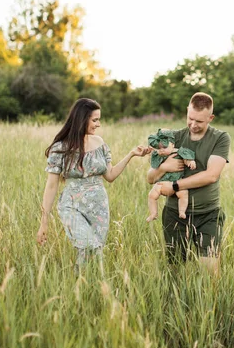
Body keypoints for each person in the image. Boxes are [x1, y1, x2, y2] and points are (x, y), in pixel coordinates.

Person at [36, 97, 150, 271]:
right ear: (82, 119)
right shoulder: (60, 148)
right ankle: (79, 285)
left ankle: (87, 287)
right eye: (95, 119)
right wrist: (44, 221)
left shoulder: (100, 143)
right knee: (88, 246)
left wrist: (131, 154)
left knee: (95, 253)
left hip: (99, 208)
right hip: (72, 206)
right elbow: (51, 186)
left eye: (99, 119)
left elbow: (110, 176)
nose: (98, 124)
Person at [147, 92, 230, 276]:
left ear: (211, 117)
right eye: (190, 118)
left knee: (209, 272)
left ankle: (208, 304)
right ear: (187, 111)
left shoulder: (220, 138)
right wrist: (164, 168)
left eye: (199, 121)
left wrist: (175, 185)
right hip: (174, 214)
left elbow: (211, 176)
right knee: (175, 270)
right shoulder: (174, 137)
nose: (193, 125)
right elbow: (151, 178)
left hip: (208, 213)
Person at [146, 128, 196, 222]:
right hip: (162, 183)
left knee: (183, 193)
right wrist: (152, 152)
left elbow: (186, 157)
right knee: (152, 195)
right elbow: (154, 168)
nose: (161, 151)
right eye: (158, 148)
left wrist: (190, 162)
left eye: (164, 147)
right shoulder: (158, 156)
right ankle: (153, 213)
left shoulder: (178, 152)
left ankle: (182, 211)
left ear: (172, 144)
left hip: (177, 181)